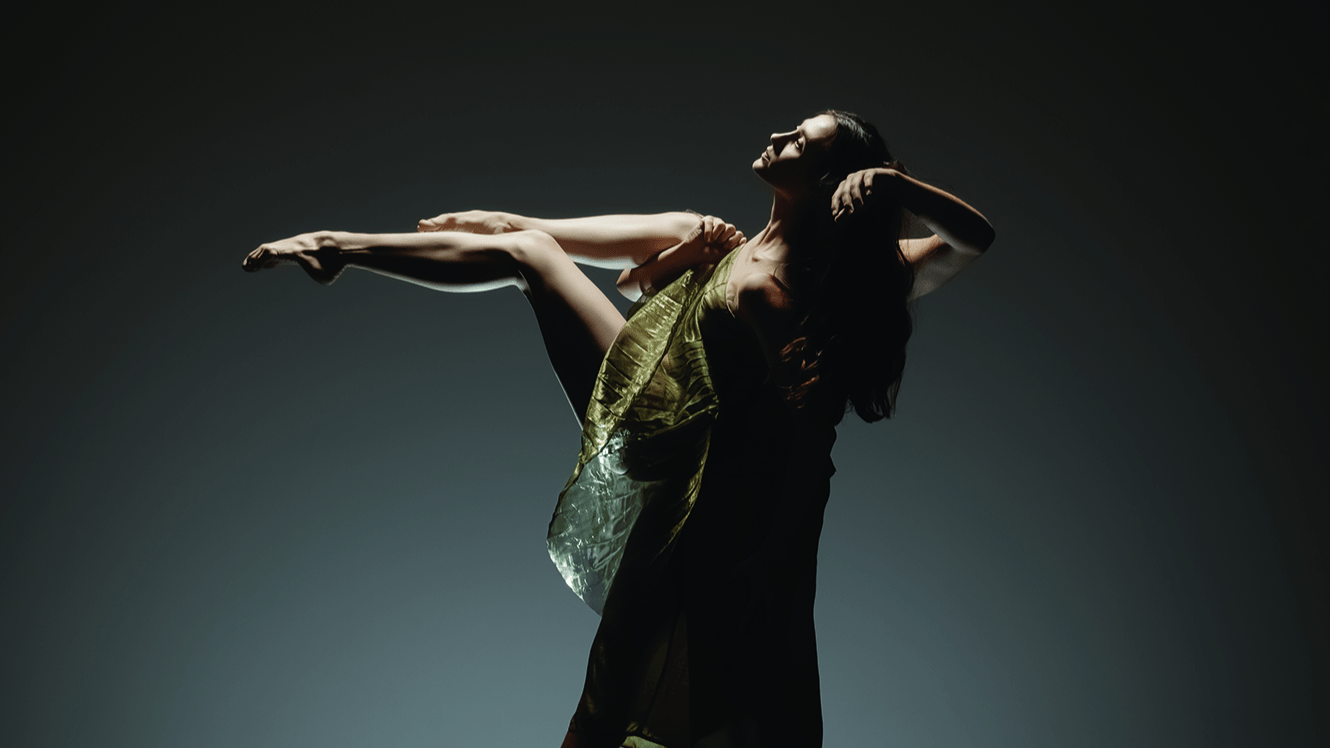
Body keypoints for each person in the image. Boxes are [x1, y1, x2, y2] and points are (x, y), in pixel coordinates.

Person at [242, 110, 994, 748]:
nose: (778, 136)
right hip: (661, 434)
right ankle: (337, 247)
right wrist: (496, 226)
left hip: (743, 505)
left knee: (716, 690)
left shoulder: (852, 277)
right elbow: (535, 233)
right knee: (526, 250)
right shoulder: (708, 238)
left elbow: (971, 240)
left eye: (802, 140)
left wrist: (898, 187)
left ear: (833, 178)